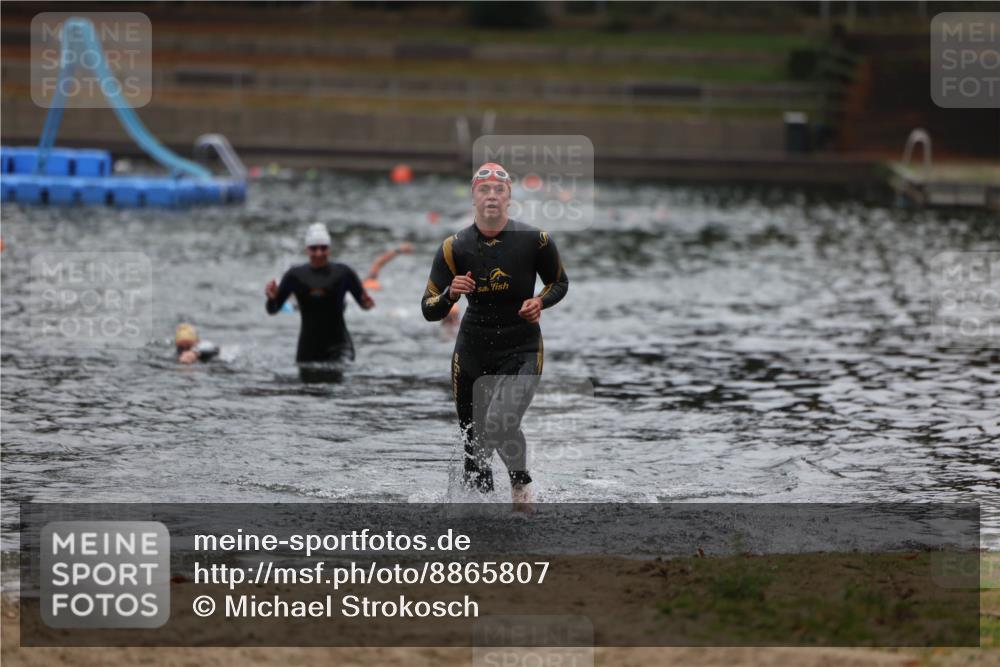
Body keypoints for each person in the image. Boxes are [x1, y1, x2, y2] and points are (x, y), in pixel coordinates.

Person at [421, 162, 568, 509]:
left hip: (522, 346)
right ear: (473, 197)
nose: (491, 195)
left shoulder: (535, 240)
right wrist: (450, 295)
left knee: (501, 422)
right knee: (475, 448)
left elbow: (559, 282)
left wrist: (540, 301)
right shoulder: (453, 247)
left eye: (498, 190)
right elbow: (429, 309)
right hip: (472, 350)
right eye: (483, 189)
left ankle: (520, 487)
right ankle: (481, 524)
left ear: (508, 197)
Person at [265, 223, 374, 363]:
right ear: (307, 249)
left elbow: (364, 304)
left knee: (341, 378)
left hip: (340, 347)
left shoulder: (343, 273)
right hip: (308, 350)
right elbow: (272, 310)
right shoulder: (295, 275)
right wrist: (271, 299)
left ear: (329, 249)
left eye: (323, 248)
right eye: (313, 248)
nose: (319, 253)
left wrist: (367, 303)